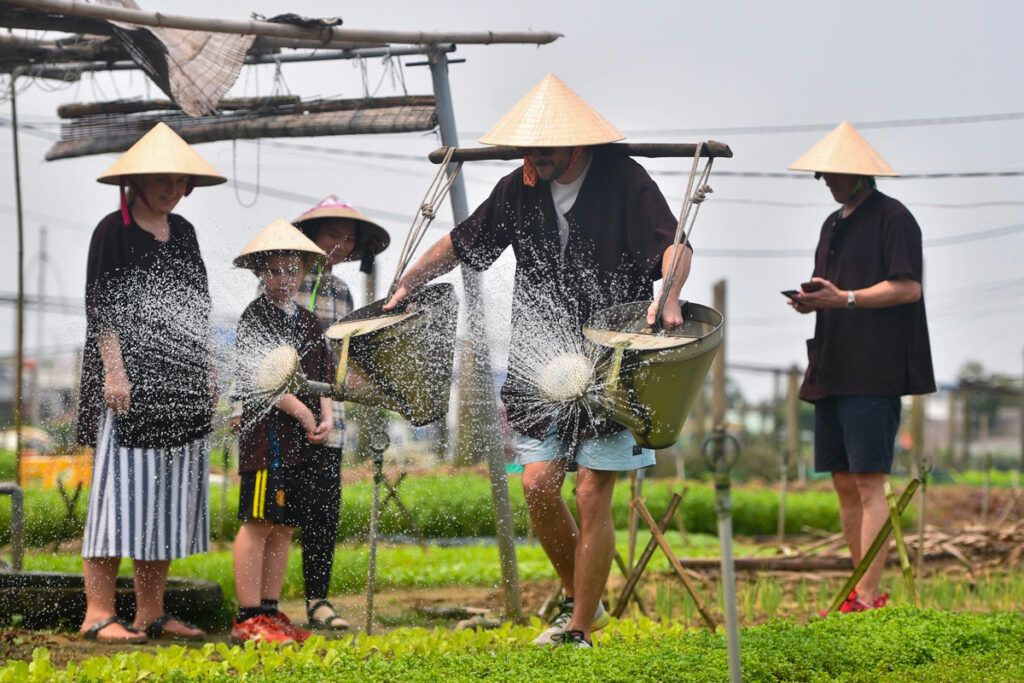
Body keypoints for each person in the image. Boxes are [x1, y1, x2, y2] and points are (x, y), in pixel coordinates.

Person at [384, 74, 692, 648]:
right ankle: (585, 600)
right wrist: (409, 279)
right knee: (537, 486)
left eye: (545, 149)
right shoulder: (517, 186)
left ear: (577, 144)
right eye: (527, 149)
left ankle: (576, 629)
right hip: (539, 362)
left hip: (612, 356)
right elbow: (462, 241)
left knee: (591, 491)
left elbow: (675, 245)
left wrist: (668, 293)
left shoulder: (625, 179)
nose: (534, 158)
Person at [77, 122, 225, 643]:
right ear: (137, 182)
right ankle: (98, 612)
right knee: (116, 499)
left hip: (180, 385)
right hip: (129, 386)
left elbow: (197, 308)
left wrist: (208, 365)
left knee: (162, 500)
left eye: (179, 179)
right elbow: (102, 307)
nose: (170, 188)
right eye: (161, 178)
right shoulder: (111, 232)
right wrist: (114, 372)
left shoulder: (183, 233)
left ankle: (150, 613)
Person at [786, 121, 935, 613]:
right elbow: (833, 292)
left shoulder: (894, 218)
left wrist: (845, 298)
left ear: (861, 174)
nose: (829, 182)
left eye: (836, 174)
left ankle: (867, 596)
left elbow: (908, 287)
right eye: (823, 176)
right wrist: (816, 301)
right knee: (843, 481)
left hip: (874, 369)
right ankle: (859, 591)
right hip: (832, 365)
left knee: (870, 481)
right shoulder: (833, 224)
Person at [230, 219, 335, 644]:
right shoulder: (255, 317)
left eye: (292, 270)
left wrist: (325, 415)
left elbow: (323, 374)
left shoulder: (310, 323)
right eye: (274, 270)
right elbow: (265, 382)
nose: (283, 279)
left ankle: (271, 614)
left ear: (305, 271)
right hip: (267, 438)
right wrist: (307, 417)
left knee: (285, 525)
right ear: (260, 272)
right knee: (258, 522)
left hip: (299, 442)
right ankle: (247, 617)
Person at [291, 196, 390, 630]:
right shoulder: (283, 281)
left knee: (322, 511)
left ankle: (318, 600)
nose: (341, 244)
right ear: (312, 237)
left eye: (349, 239)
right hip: (283, 415)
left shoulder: (342, 291)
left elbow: (341, 361)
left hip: (330, 419)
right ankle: (261, 605)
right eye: (333, 234)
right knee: (272, 514)